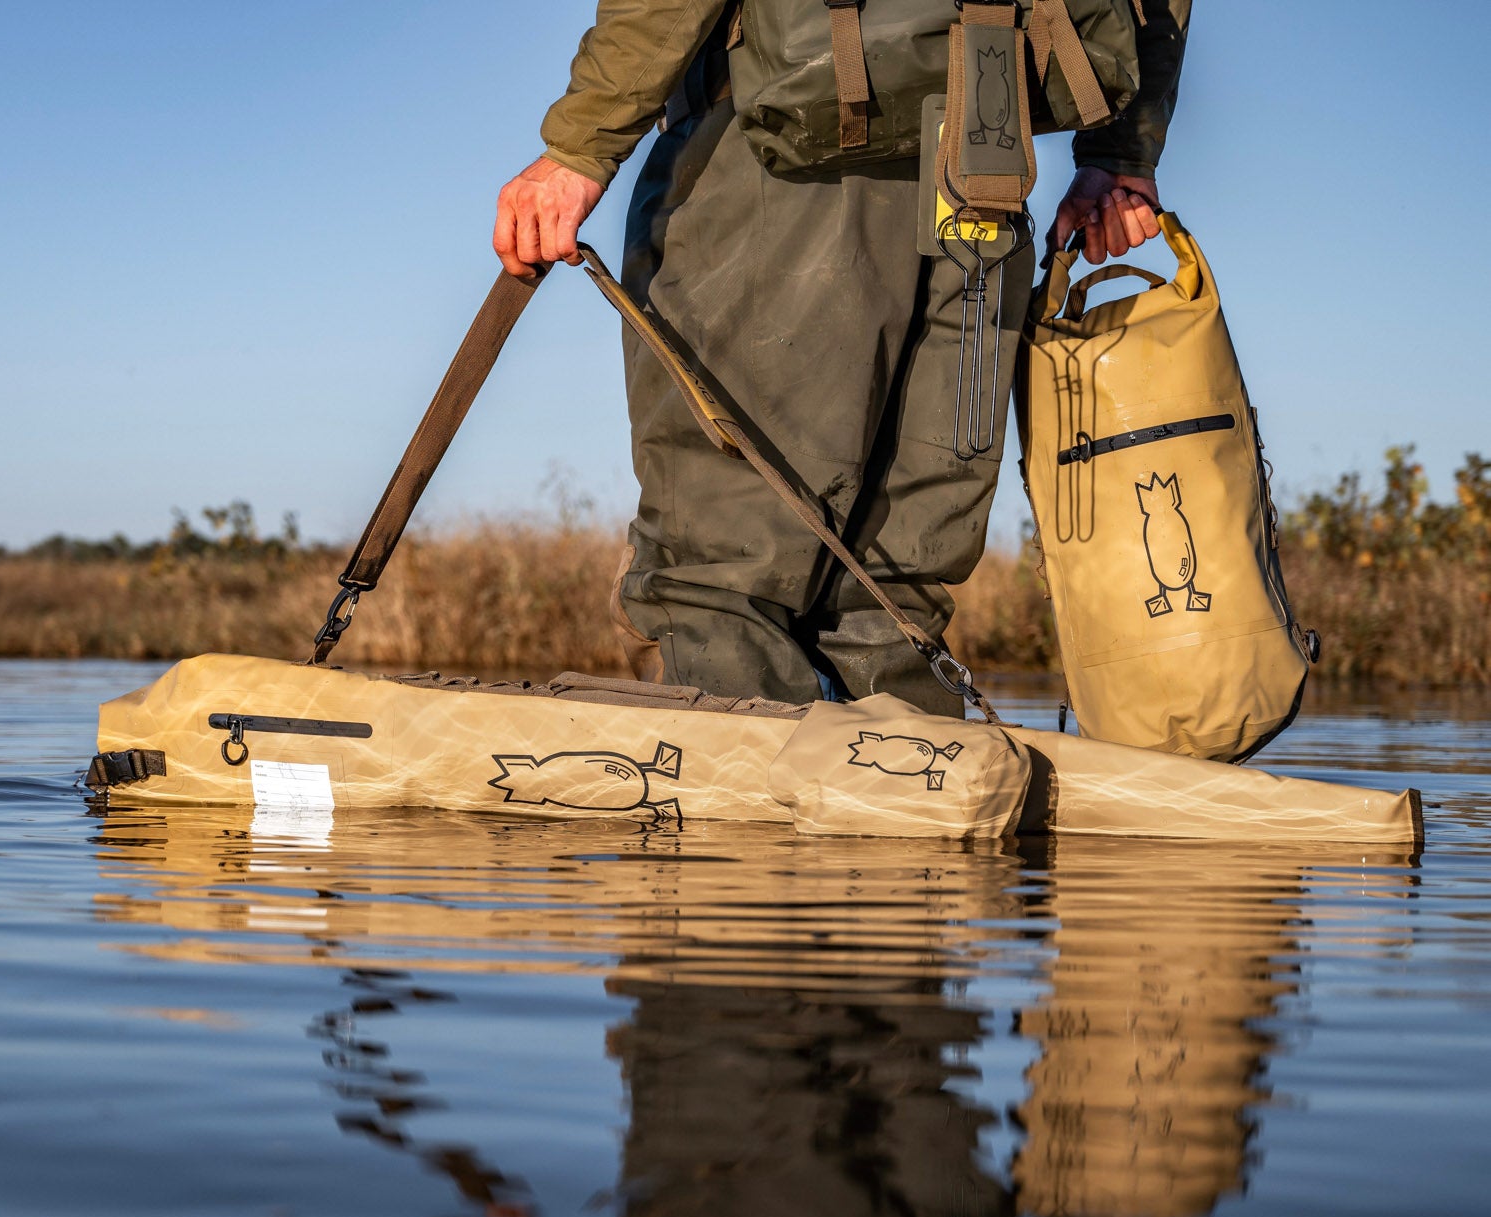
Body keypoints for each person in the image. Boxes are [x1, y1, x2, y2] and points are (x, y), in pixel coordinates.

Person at [494, 2, 1190, 711]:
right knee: (893, 589)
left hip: (788, 142)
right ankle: (907, 786)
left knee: (728, 575)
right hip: (985, 142)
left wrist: (582, 142)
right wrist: (1120, 152)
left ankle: (759, 799)